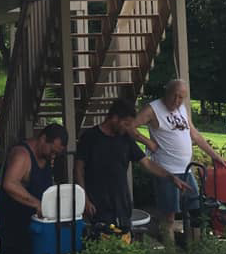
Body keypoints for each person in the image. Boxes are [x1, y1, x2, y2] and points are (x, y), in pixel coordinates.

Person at [131, 79, 226, 233]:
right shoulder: (152, 109)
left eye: (181, 97)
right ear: (166, 92)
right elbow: (130, 127)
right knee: (169, 216)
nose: (176, 101)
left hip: (186, 170)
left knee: (196, 211)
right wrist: (147, 142)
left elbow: (194, 134)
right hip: (166, 170)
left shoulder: (182, 108)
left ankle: (194, 249)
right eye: (174, 96)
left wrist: (214, 155)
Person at [74, 99, 183, 232]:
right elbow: (79, 169)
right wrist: (84, 198)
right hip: (97, 204)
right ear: (114, 118)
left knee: (124, 241)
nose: (128, 128)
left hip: (121, 204)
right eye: (125, 124)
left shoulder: (125, 138)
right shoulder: (90, 137)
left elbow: (146, 163)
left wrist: (170, 176)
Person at [0, 123, 69, 254]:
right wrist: (37, 204)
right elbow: (10, 183)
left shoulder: (46, 158)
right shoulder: (22, 155)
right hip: (12, 228)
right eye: (52, 151)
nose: (53, 156)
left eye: (56, 154)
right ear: (43, 139)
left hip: (34, 229)